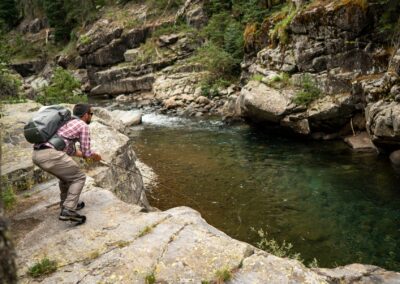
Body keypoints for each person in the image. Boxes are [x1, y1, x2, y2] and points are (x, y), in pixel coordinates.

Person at [32, 103, 102, 224]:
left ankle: (66, 204)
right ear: (86, 115)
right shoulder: (82, 125)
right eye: (91, 114)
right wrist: (96, 156)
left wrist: (88, 156)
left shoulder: (65, 123)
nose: (91, 116)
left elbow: (71, 150)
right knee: (79, 177)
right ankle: (68, 210)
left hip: (37, 154)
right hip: (50, 155)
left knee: (66, 177)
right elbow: (86, 152)